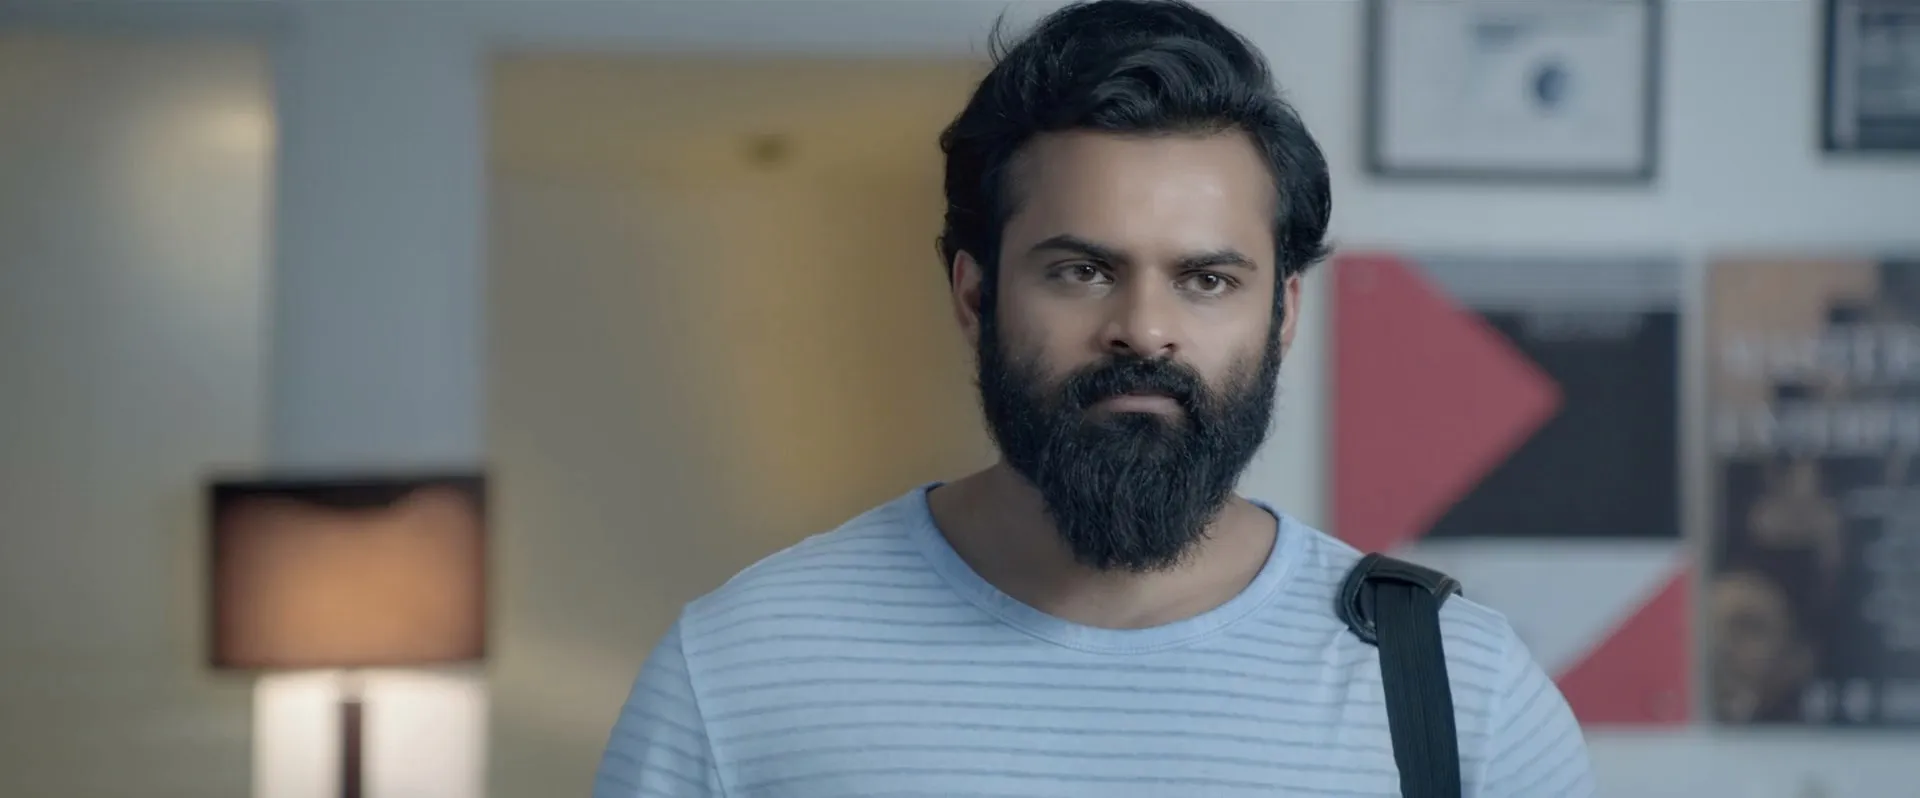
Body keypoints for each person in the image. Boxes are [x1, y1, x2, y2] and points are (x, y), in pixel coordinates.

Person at [593, 1, 1594, 795]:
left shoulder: (1461, 688)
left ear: (1282, 312)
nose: (1143, 330)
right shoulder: (737, 671)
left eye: (1207, 279)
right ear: (975, 295)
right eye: (1081, 271)